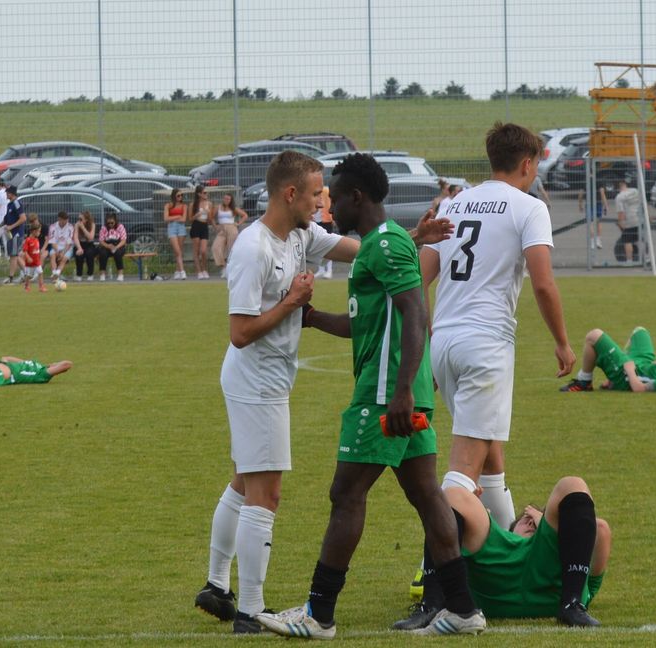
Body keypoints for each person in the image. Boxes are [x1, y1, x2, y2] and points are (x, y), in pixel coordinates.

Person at [195, 151, 453, 635]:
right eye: (316, 193)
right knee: (266, 492)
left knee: (244, 480)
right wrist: (293, 303)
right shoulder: (253, 248)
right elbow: (240, 333)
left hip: (272, 376)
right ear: (290, 194)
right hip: (256, 378)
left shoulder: (302, 234)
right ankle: (249, 611)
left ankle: (216, 584)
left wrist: (413, 237)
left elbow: (364, 248)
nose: (323, 202)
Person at [256, 154, 486, 639]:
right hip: (399, 391)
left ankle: (319, 613)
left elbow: (416, 313)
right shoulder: (380, 245)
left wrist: (400, 391)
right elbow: (365, 323)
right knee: (427, 496)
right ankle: (463, 609)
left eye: (334, 197)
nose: (329, 206)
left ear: (356, 197)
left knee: (346, 494)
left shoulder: (384, 245)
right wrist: (312, 318)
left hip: (386, 395)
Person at [419, 121, 574, 542]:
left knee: (489, 456)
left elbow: (418, 279)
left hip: (445, 342)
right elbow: (543, 283)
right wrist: (562, 342)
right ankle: (432, 569)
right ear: (527, 164)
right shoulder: (528, 208)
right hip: (485, 344)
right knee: (462, 471)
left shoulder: (454, 203)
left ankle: (512, 545)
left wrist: (431, 339)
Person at [397, 476, 611, 629]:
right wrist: (470, 514)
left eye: (534, 521)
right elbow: (450, 532)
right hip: (493, 571)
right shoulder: (499, 540)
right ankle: (432, 604)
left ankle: (572, 605)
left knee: (573, 483)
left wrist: (551, 528)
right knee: (453, 495)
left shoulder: (562, 553)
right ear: (510, 528)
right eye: (525, 520)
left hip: (555, 579)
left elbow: (600, 529)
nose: (530, 522)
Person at [211, 193, 248, 279]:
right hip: (222, 228)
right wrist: (215, 226)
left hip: (231, 227)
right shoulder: (218, 207)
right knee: (216, 248)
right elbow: (211, 217)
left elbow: (245, 215)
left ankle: (232, 269)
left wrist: (238, 223)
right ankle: (224, 267)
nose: (226, 200)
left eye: (228, 199)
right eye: (225, 198)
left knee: (231, 250)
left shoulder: (233, 208)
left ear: (231, 200)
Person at [1, 185, 27, 285]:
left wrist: (11, 227)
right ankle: (27, 274)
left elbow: (23, 218)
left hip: (16, 234)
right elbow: (7, 219)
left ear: (12, 194)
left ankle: (10, 277)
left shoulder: (16, 203)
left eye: (7, 193)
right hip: (11, 235)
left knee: (13, 255)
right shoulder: (10, 204)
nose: (6, 195)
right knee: (14, 255)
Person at [614, 177, 642, 264]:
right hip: (640, 218)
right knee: (640, 239)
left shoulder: (620, 197)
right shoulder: (635, 191)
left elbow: (621, 213)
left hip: (630, 221)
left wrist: (621, 223)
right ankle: (646, 258)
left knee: (627, 240)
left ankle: (629, 260)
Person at [164, 188, 189, 280]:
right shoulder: (168, 205)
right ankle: (182, 271)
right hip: (172, 228)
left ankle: (177, 271)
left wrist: (173, 217)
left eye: (181, 195)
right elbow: (166, 218)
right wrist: (177, 216)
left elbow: (184, 219)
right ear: (174, 196)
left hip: (181, 228)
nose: (180, 197)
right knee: (177, 250)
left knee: (179, 251)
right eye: (178, 195)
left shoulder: (184, 206)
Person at [189, 185, 213, 279]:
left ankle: (204, 269)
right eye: (204, 193)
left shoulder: (209, 204)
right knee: (196, 251)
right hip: (196, 225)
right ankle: (198, 271)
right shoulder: (193, 204)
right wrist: (198, 214)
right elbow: (190, 219)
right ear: (199, 194)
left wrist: (208, 213)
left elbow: (210, 220)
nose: (206, 194)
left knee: (203, 250)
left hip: (204, 226)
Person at [97, 211, 127, 282]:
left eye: (112, 223)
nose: (110, 224)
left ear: (115, 221)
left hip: (118, 245)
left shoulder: (120, 227)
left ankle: (120, 274)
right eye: (108, 223)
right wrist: (107, 246)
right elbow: (101, 241)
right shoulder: (103, 228)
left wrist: (116, 247)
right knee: (102, 253)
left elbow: (123, 240)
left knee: (118, 253)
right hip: (107, 245)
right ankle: (102, 274)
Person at [46, 211, 75, 282]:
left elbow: (69, 242)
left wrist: (63, 252)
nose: (66, 221)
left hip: (67, 248)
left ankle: (57, 274)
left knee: (64, 259)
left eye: (67, 220)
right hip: (56, 247)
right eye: (64, 220)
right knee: (52, 256)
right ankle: (54, 273)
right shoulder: (52, 226)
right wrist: (57, 251)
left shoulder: (70, 227)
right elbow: (52, 241)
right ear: (59, 219)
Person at [578, 185, 608, 250]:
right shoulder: (599, 180)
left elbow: (580, 194)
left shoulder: (585, 180)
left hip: (589, 203)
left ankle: (592, 242)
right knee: (598, 222)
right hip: (598, 202)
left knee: (590, 222)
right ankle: (598, 241)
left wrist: (580, 204)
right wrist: (605, 205)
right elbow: (602, 193)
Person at [20, 221, 47, 292]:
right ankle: (26, 286)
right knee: (29, 276)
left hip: (37, 262)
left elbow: (36, 250)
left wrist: (39, 253)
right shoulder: (28, 240)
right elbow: (25, 251)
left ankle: (41, 287)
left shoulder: (36, 239)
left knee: (40, 272)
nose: (39, 233)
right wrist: (28, 257)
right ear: (34, 231)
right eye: (39, 231)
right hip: (29, 263)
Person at [314, 185, 334, 278]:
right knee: (318, 247)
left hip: (326, 220)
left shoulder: (326, 190)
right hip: (316, 221)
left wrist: (332, 218)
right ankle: (321, 270)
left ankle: (329, 270)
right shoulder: (311, 190)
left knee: (328, 246)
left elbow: (330, 203)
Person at [73, 209, 97, 281]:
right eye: (78, 219)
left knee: (89, 254)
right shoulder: (77, 224)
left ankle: (90, 274)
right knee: (79, 255)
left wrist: (83, 228)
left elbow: (91, 237)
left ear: (86, 220)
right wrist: (79, 248)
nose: (79, 221)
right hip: (79, 244)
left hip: (89, 244)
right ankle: (79, 274)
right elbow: (75, 238)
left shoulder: (92, 224)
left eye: (81, 219)